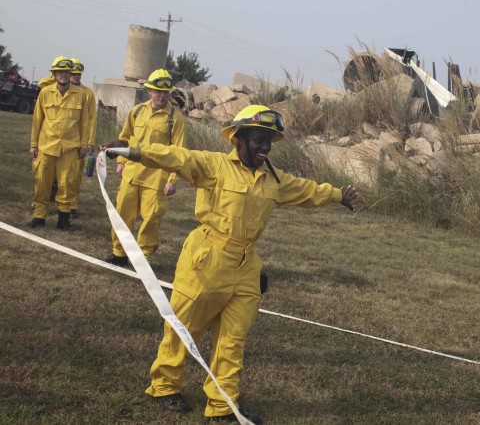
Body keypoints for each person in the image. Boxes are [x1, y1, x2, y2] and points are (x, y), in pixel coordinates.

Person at [101, 104, 358, 423]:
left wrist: (336, 195)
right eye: (258, 138)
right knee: (185, 327)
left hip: (246, 265)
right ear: (239, 139)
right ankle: (165, 385)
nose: (265, 146)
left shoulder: (273, 179)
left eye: (269, 140)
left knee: (233, 339)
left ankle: (222, 405)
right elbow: (175, 156)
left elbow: (305, 190)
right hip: (206, 259)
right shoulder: (214, 165)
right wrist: (130, 150)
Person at [105, 69, 185, 266]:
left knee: (151, 220)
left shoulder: (175, 119)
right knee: (123, 214)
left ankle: (143, 259)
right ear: (149, 91)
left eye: (165, 92)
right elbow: (124, 139)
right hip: (132, 175)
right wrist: (121, 163)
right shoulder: (137, 111)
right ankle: (119, 253)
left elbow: (179, 153)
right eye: (157, 91)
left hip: (157, 179)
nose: (161, 95)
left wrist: (173, 180)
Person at [29, 56, 89, 230]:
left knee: (67, 183)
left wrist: (84, 145)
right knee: (42, 182)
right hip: (47, 146)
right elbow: (37, 120)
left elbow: (84, 122)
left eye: (67, 72)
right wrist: (34, 145)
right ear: (54, 74)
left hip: (70, 147)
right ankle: (39, 216)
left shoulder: (81, 95)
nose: (64, 75)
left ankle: (64, 220)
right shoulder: (45, 93)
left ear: (71, 73)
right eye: (60, 72)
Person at [68, 57, 97, 217]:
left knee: (75, 174)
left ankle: (72, 205)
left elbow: (92, 118)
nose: (76, 77)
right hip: (60, 140)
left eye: (78, 74)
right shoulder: (59, 89)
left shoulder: (87, 93)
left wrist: (90, 141)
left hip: (79, 141)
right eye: (73, 74)